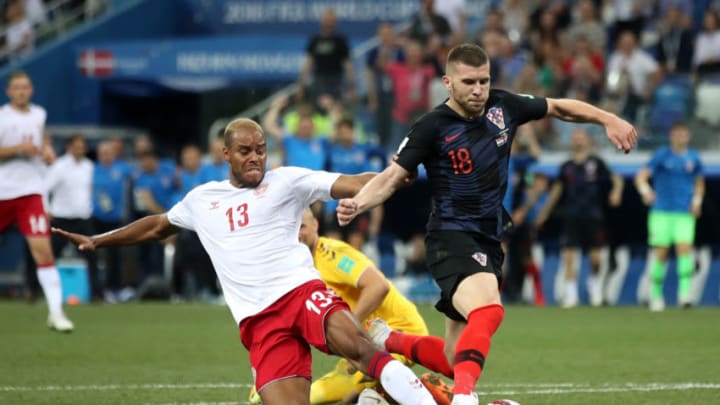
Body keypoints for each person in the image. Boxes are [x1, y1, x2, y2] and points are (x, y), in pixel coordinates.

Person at [52, 118, 436, 405]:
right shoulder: (202, 200)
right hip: (258, 321)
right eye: (245, 151)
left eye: (261, 150)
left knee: (361, 348)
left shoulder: (288, 181)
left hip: (301, 292)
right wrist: (97, 241)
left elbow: (352, 181)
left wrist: (393, 175)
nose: (255, 158)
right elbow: (156, 226)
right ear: (226, 154)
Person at [336, 43, 637, 405]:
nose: (478, 89)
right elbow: (391, 177)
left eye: (484, 80)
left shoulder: (504, 106)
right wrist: (358, 203)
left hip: (489, 239)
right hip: (450, 236)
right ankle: (465, 399)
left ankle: (387, 339)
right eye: (469, 82)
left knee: (452, 358)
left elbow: (558, 107)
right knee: (488, 310)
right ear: (448, 82)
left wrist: (608, 118)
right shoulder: (431, 126)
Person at [261, 207, 429, 405]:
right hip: (365, 341)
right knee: (308, 397)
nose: (297, 234)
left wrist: (349, 330)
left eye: (302, 227)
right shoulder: (302, 268)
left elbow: (378, 286)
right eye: (291, 229)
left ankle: (432, 393)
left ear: (315, 225)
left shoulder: (332, 254)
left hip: (398, 332)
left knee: (360, 398)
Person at [0, 71, 73, 331]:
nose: (21, 91)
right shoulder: (2, 116)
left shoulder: (39, 114)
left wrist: (47, 152)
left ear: (31, 90)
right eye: (17, 88)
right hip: (2, 192)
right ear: (9, 91)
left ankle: (56, 312)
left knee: (43, 251)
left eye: (26, 87)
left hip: (30, 193)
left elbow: (41, 142)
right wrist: (21, 150)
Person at [534, 129, 624, 308]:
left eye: (581, 138)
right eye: (575, 138)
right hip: (572, 215)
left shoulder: (597, 163)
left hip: (593, 215)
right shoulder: (566, 166)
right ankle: (571, 294)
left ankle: (594, 283)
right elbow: (557, 190)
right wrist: (544, 212)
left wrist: (617, 191)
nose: (578, 141)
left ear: (588, 141)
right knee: (569, 256)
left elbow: (617, 179)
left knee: (596, 258)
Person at [634, 122, 704, 311]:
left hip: (683, 213)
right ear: (672, 136)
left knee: (684, 251)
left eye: (684, 134)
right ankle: (656, 295)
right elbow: (640, 176)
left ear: (688, 136)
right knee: (661, 253)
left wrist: (697, 203)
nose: (681, 137)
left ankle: (684, 295)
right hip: (661, 212)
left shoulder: (693, 157)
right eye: (677, 134)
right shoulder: (662, 155)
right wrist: (645, 191)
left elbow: (699, 182)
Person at [46, 134, 103, 301]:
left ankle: (96, 294)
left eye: (82, 146)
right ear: (69, 147)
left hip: (83, 219)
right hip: (61, 219)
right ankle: (41, 291)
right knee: (49, 257)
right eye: (77, 146)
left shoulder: (89, 167)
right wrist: (47, 209)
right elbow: (45, 188)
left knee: (93, 257)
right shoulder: (59, 166)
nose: (80, 149)